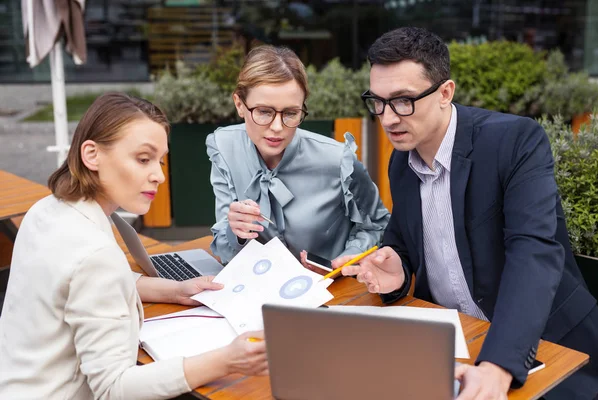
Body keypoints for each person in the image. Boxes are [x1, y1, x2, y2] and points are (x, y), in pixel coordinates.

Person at [338, 27, 598, 400]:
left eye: (403, 101)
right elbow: (404, 243)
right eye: (377, 101)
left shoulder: (515, 141)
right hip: (455, 342)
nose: (389, 118)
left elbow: (534, 252)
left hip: (548, 345)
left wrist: (498, 365)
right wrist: (396, 269)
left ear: (446, 93)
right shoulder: (402, 161)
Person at [0, 93, 268, 399]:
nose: (159, 175)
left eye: (160, 161)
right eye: (143, 159)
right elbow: (115, 388)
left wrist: (173, 290)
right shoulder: (96, 255)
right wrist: (226, 359)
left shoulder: (46, 211)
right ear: (92, 155)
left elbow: (75, 282)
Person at [207, 45, 390, 266]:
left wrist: (347, 257)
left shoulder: (338, 160)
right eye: (264, 112)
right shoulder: (224, 147)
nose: (277, 127)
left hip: (332, 289)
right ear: (239, 105)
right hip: (258, 288)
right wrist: (235, 232)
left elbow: (377, 224)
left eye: (291, 113)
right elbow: (225, 250)